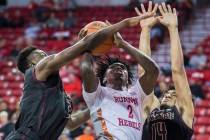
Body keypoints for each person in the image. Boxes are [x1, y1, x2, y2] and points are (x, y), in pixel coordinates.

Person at [5, 13, 154, 140]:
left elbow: (71, 123)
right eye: (41, 55)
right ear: (32, 63)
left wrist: (104, 103)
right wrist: (125, 23)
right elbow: (84, 46)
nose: (46, 56)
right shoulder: (37, 71)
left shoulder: (58, 94)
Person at [80, 16, 159, 140]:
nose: (119, 68)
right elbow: (86, 69)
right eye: (113, 67)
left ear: (128, 79)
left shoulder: (136, 93)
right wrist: (85, 47)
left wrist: (123, 44)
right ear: (104, 79)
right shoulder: (98, 93)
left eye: (123, 68)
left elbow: (153, 70)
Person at [135, 3, 194, 140]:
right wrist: (145, 29)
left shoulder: (184, 111)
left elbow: (177, 71)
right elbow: (144, 72)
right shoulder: (152, 108)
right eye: (167, 93)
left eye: (173, 94)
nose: (167, 95)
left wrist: (173, 29)